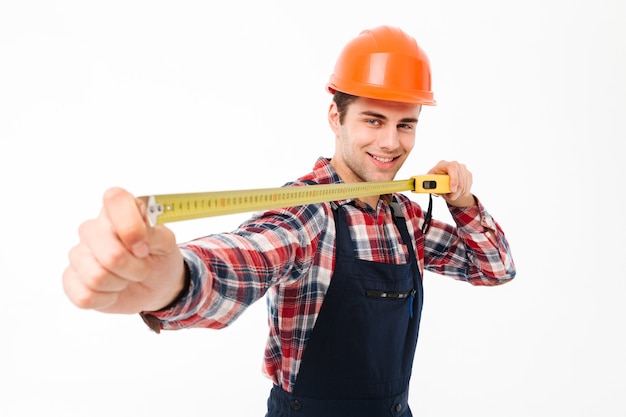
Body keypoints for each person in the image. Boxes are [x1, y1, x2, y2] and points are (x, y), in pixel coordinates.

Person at [63, 25, 516, 417]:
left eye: (406, 125)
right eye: (374, 120)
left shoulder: (408, 218)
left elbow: (495, 269)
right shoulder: (307, 213)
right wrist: (174, 281)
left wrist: (464, 202)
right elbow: (248, 254)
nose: (391, 142)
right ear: (335, 117)